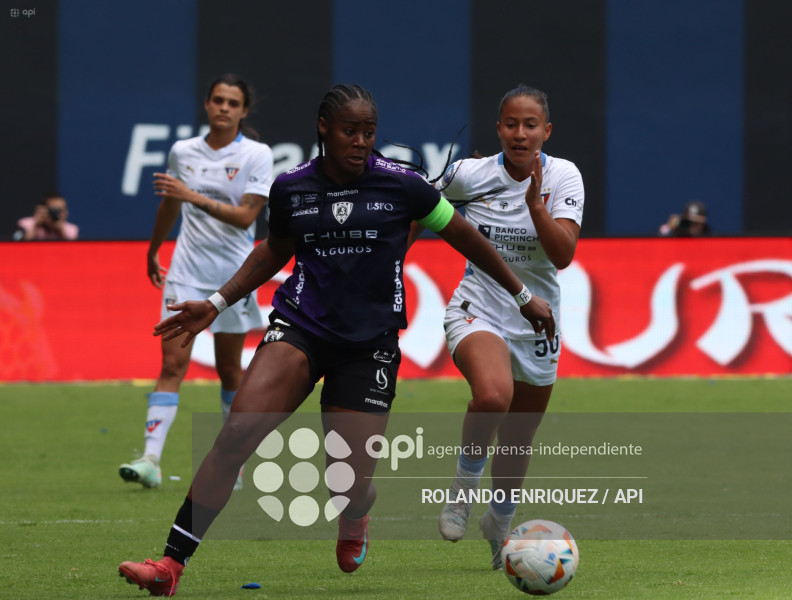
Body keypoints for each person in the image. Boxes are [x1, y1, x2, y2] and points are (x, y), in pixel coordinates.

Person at [117, 83, 555, 597]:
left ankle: (353, 516)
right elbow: (273, 251)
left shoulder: (404, 187)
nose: (362, 142)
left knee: (346, 485)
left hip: (369, 345)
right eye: (351, 131)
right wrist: (214, 303)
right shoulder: (291, 188)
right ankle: (170, 565)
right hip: (300, 327)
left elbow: (466, 237)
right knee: (238, 433)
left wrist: (523, 294)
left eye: (369, 132)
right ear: (324, 128)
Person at [431, 85, 584, 570]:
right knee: (493, 396)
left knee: (518, 441)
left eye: (531, 125)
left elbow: (562, 255)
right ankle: (461, 491)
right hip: (478, 306)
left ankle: (499, 522)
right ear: (498, 129)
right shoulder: (469, 175)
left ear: (547, 131)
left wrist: (536, 205)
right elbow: (416, 206)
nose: (521, 134)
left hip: (537, 319)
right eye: (511, 124)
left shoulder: (564, 176)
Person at [118, 74, 274, 490]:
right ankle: (150, 460)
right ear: (206, 105)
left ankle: (234, 461)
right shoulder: (182, 151)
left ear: (243, 110)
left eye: (232, 102)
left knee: (228, 371)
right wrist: (153, 249)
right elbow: (171, 203)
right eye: (217, 100)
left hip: (234, 278)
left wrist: (194, 197)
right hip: (186, 272)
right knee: (171, 364)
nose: (224, 107)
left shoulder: (257, 155)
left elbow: (245, 217)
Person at [14, 194, 79, 240]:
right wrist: (36, 225)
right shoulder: (26, 224)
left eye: (62, 210)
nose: (58, 214)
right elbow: (21, 247)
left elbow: (71, 252)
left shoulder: (71, 230)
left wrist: (60, 230)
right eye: (55, 210)